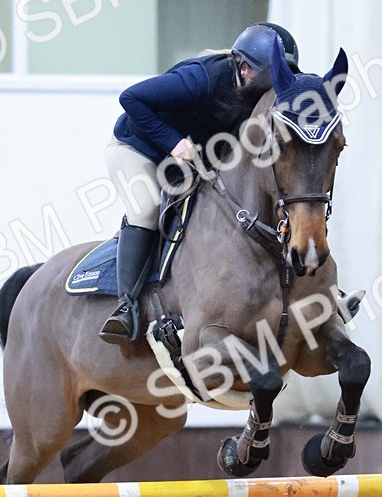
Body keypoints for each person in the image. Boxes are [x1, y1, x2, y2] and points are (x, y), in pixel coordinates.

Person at [99, 22, 300, 344]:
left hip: (191, 157)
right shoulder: (197, 80)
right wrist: (174, 142)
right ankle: (126, 307)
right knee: (147, 209)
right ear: (245, 68)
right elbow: (132, 98)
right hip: (138, 149)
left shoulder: (254, 88)